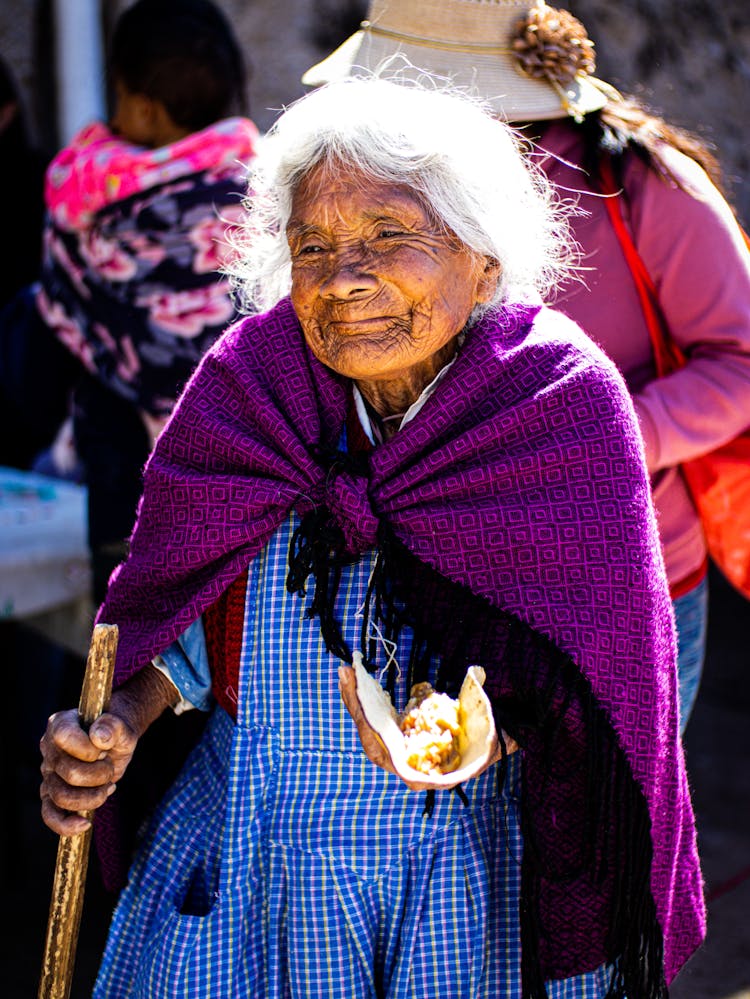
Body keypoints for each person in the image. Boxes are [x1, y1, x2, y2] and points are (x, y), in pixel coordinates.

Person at [40, 77, 705, 997]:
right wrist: (121, 717)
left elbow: (598, 669)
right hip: (258, 856)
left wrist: (482, 736)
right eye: (313, 247)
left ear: (481, 259)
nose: (346, 277)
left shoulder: (557, 401)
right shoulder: (252, 388)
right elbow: (187, 614)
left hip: (465, 874)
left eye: (390, 237)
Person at [301, 0, 750, 734]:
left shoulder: (638, 179)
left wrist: (602, 439)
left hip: (626, 578)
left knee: (611, 827)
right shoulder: (385, 186)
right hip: (451, 576)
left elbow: (739, 363)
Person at [35, 0, 259, 603]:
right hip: (241, 459)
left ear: (143, 107)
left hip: (124, 463)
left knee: (125, 626)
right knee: (229, 627)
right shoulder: (264, 192)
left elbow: (60, 303)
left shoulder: (87, 194)